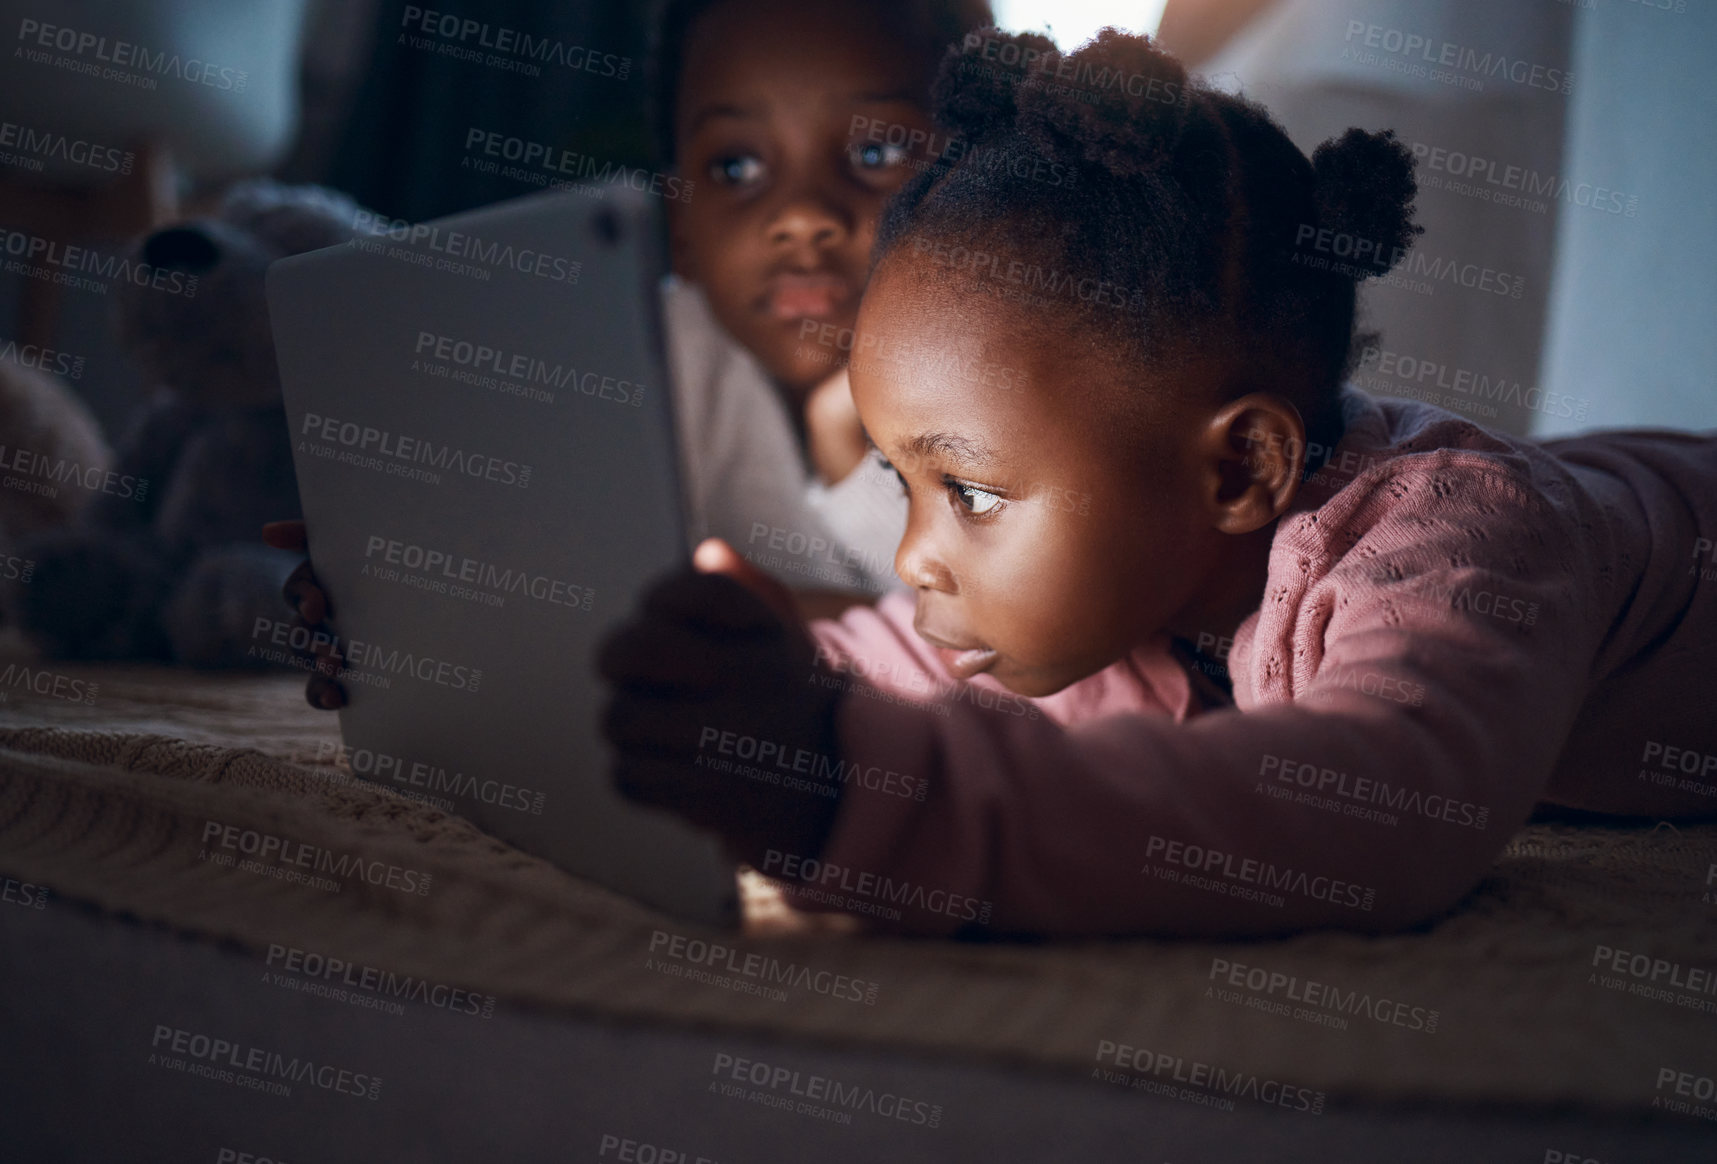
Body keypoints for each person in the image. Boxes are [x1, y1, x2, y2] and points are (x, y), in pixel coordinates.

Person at [597, 28, 1717, 939]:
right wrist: (706, 684)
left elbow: (1377, 819)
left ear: (1240, 469)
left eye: (972, 494)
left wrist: (847, 790)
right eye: (904, 484)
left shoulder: (1460, 547)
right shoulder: (1144, 584)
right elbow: (892, 663)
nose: (910, 558)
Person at [265, 0, 995, 707]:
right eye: (735, 168)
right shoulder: (650, 353)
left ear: (985, 187)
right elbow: (560, 580)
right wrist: (397, 596)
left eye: (877, 152)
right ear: (678, 220)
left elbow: (991, 655)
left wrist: (852, 453)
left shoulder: (1017, 379)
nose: (800, 218)